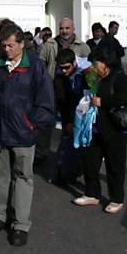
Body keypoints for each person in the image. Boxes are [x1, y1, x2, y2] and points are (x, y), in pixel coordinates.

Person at [0, 24, 55, 247]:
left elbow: (45, 100)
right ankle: (1, 215)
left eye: (11, 45)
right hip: (0, 132)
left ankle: (21, 224)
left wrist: (31, 124)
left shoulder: (35, 67)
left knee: (23, 177)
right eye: (4, 45)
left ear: (22, 44)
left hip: (23, 133)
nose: (7, 49)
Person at [72, 48, 127, 214]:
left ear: (105, 63)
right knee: (90, 161)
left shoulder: (119, 77)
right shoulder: (94, 77)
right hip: (94, 127)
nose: (93, 65)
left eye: (95, 62)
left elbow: (126, 98)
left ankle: (116, 199)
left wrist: (103, 101)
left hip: (115, 129)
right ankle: (92, 193)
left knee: (115, 166)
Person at [37, 17, 89, 160]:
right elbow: (41, 64)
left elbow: (89, 68)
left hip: (73, 91)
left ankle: (70, 154)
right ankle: (42, 152)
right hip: (52, 87)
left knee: (71, 122)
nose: (64, 31)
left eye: (67, 28)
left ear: (73, 29)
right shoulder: (50, 44)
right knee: (46, 121)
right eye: (61, 28)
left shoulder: (82, 47)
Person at [51, 48, 87, 185]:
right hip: (71, 112)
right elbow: (62, 101)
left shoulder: (87, 70)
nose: (64, 71)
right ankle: (64, 174)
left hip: (87, 112)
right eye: (61, 68)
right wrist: (67, 122)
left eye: (67, 68)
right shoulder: (60, 76)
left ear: (74, 62)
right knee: (66, 144)